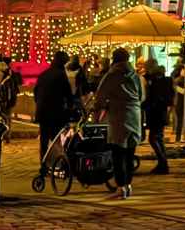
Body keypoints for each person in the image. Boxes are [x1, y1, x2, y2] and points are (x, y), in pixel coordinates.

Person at [94, 48, 142, 198]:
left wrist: (100, 107)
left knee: (118, 153)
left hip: (118, 116)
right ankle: (128, 185)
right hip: (135, 115)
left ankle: (121, 186)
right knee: (129, 153)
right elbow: (141, 95)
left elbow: (100, 95)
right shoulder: (135, 75)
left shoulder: (112, 74)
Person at [33, 51, 74, 164]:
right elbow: (68, 93)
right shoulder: (61, 74)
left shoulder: (44, 74)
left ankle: (44, 164)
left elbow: (36, 93)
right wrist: (71, 107)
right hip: (55, 112)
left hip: (42, 112)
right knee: (56, 139)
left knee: (44, 140)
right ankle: (58, 162)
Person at [143, 59, 174, 174]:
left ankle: (163, 162)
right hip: (161, 112)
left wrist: (144, 105)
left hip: (156, 112)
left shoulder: (155, 80)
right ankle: (163, 163)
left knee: (153, 138)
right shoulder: (161, 78)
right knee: (158, 138)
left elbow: (152, 97)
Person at [0, 56, 21, 141]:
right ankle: (7, 135)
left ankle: (2, 135)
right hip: (9, 100)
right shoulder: (10, 74)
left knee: (1, 117)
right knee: (7, 117)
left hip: (2, 100)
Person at [65, 55, 89, 119]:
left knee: (71, 104)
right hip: (76, 91)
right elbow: (83, 81)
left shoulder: (67, 68)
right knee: (79, 104)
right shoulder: (79, 69)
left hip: (70, 91)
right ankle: (83, 116)